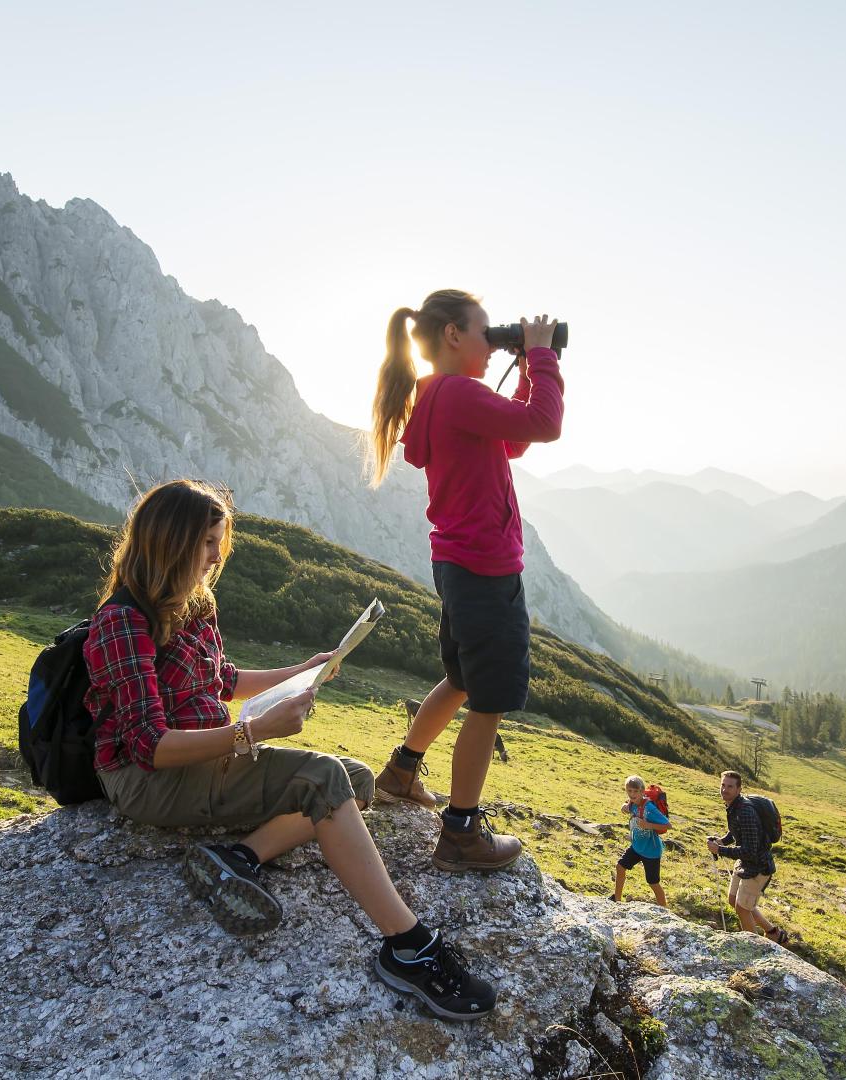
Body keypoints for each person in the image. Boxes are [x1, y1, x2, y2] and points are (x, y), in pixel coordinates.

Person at [85, 479, 496, 1020]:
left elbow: (221, 680)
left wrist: (303, 671)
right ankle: (409, 947)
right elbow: (148, 746)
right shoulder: (122, 620)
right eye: (207, 543)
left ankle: (238, 857)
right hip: (149, 780)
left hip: (209, 760)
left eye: (218, 543)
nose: (215, 557)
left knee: (356, 781)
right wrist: (251, 733)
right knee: (324, 779)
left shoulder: (193, 603)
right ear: (171, 541)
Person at [366, 290, 565, 873]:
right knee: (489, 702)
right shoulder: (456, 392)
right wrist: (542, 356)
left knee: (458, 677)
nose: (490, 342)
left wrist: (527, 367)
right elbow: (547, 425)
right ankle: (460, 834)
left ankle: (401, 772)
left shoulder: (437, 395)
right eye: (486, 332)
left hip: (457, 563)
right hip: (486, 568)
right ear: (453, 335)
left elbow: (516, 438)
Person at [707, 771, 792, 946]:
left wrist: (720, 849)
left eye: (730, 786)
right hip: (745, 864)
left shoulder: (745, 811)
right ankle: (773, 933)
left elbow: (750, 851)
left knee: (742, 908)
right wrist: (722, 840)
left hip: (758, 867)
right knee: (733, 900)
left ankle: (753, 947)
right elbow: (737, 831)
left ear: (739, 789)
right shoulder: (734, 806)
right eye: (723, 785)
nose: (725, 789)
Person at [612, 775, 669, 907]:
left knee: (653, 882)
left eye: (636, 791)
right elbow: (627, 805)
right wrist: (623, 806)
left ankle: (665, 911)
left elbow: (667, 825)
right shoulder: (632, 803)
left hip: (651, 851)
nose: (632, 794)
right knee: (620, 867)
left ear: (642, 792)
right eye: (630, 791)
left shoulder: (650, 808)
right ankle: (617, 901)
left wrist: (648, 825)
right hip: (637, 847)